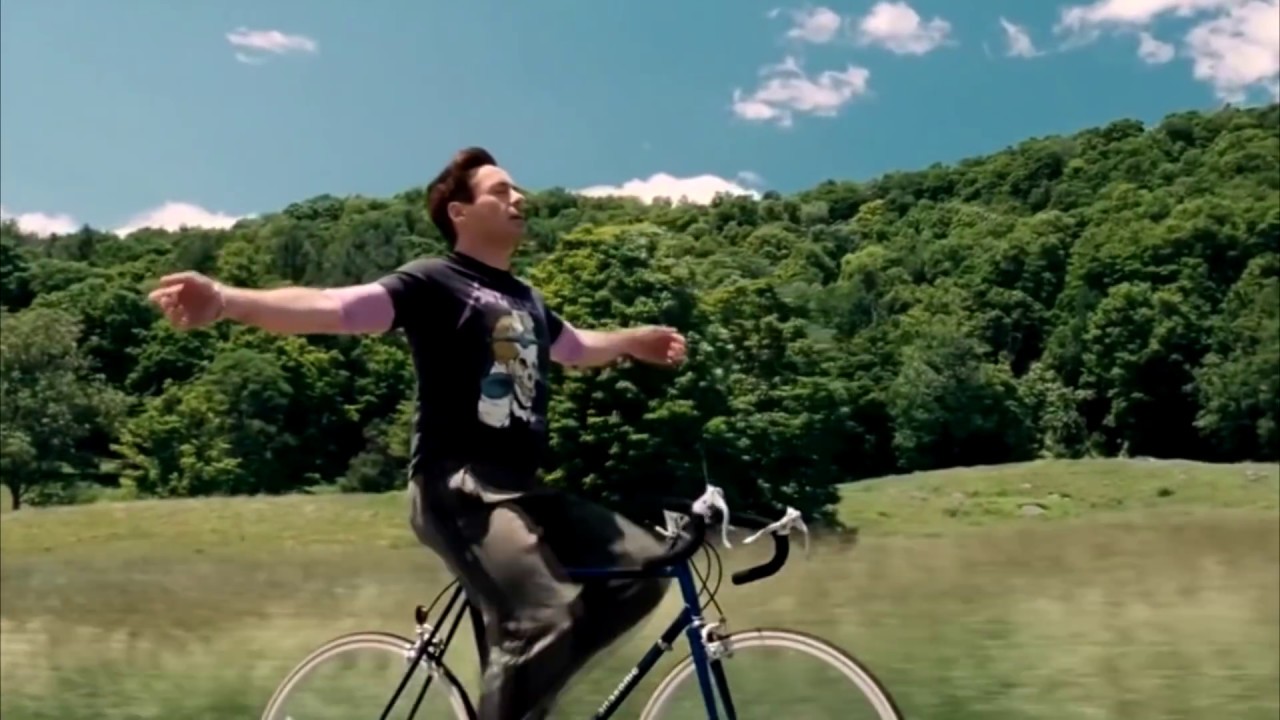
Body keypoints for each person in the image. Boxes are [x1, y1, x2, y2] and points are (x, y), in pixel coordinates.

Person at [147, 147, 688, 719]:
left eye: (517, 190)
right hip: (458, 488)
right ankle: (526, 671)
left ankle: (525, 688)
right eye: (500, 191)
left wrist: (632, 341)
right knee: (545, 617)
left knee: (643, 568)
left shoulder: (527, 299)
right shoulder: (435, 281)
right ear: (459, 212)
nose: (519, 199)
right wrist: (226, 300)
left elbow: (575, 347)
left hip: (522, 490)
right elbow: (336, 307)